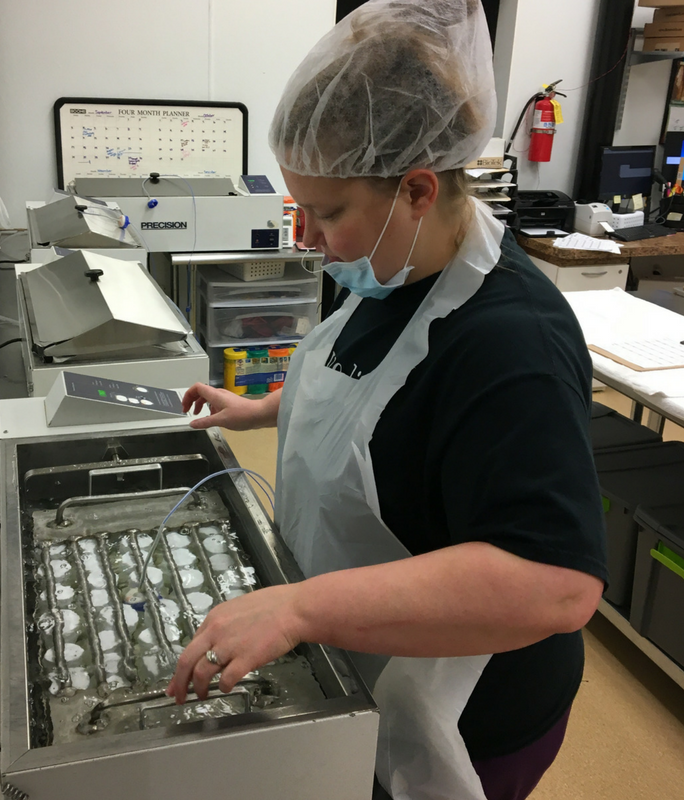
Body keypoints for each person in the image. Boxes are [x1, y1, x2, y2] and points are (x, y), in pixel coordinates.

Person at [166, 2, 608, 799]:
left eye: (326, 212)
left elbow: (557, 585)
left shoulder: (511, 343)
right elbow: (371, 397)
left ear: (415, 187)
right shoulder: (393, 268)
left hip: (472, 709)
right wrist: (259, 408)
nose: (306, 235)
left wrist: (301, 609)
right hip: (366, 646)